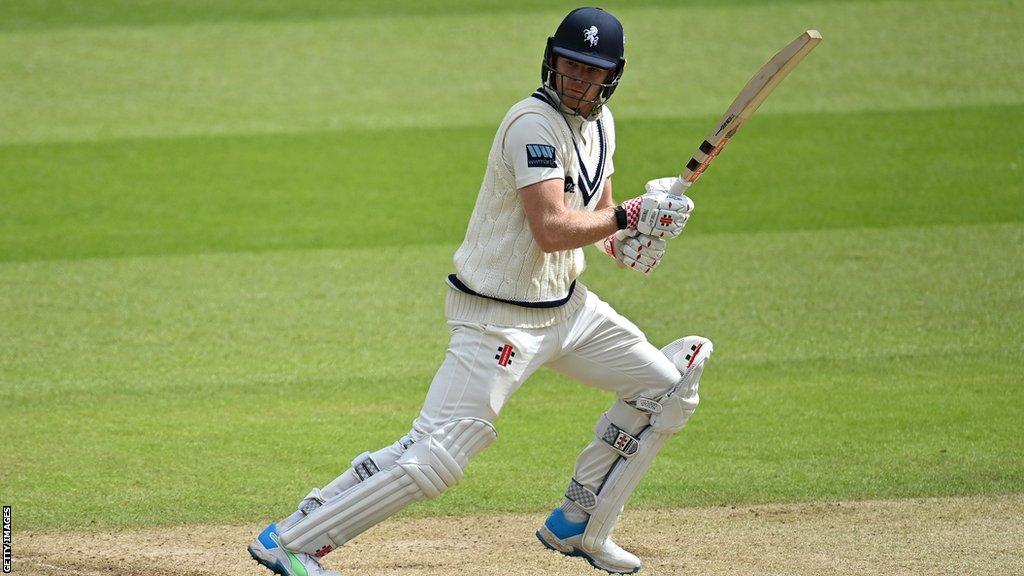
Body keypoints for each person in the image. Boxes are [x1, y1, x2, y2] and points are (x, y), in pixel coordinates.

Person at [247, 7, 712, 575]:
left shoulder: (602, 125)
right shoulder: (530, 124)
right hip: (498, 319)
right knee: (435, 456)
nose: (577, 81)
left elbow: (592, 214)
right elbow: (549, 229)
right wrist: (629, 216)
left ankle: (579, 524)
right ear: (551, 61)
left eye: (591, 72)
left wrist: (632, 237)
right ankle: (291, 542)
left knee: (666, 392)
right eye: (569, 66)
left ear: (612, 76)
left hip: (569, 311)